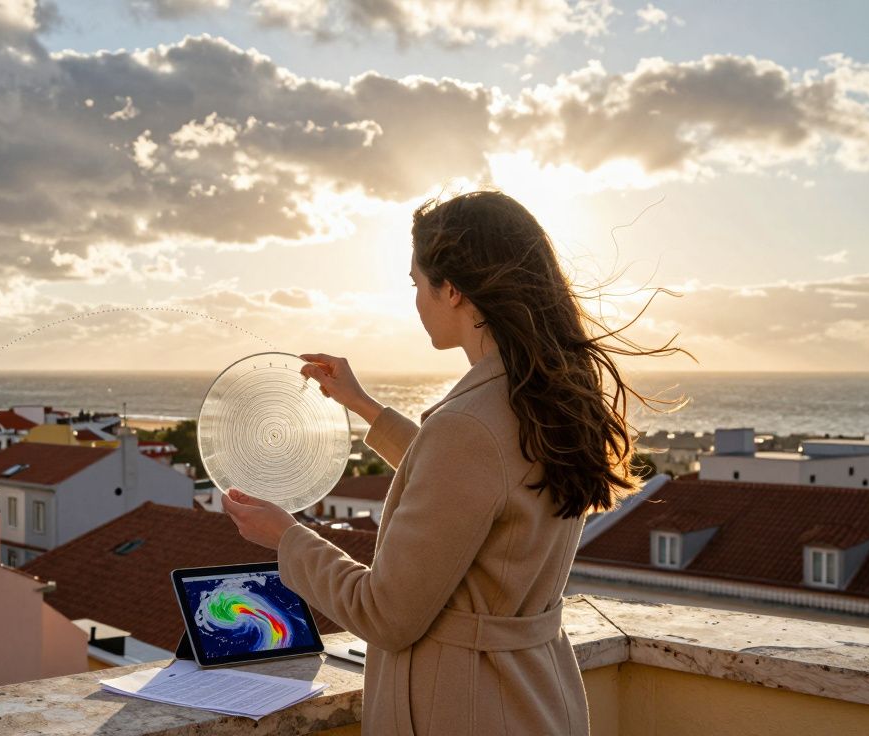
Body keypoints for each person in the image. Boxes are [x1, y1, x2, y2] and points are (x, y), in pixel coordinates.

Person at [223, 190, 688, 735]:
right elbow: (478, 487)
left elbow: (385, 615)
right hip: (535, 698)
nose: (416, 301)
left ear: (453, 290)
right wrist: (365, 407)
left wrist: (287, 538)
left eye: (418, 284)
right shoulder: (541, 396)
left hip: (467, 708)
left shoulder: (469, 426)